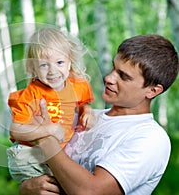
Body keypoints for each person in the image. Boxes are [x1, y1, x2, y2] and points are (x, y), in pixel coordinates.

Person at [19, 34, 179, 194]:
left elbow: (92, 192)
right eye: (113, 68)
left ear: (153, 91)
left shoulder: (151, 138)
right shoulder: (80, 117)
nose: (109, 78)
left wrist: (46, 138)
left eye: (123, 76)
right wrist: (26, 189)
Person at [7, 28, 95, 183]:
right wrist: (48, 130)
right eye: (43, 65)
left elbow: (83, 103)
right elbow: (16, 130)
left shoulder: (78, 86)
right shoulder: (32, 94)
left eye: (59, 62)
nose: (52, 71)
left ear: (69, 63)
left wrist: (87, 111)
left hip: (54, 153)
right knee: (54, 186)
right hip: (28, 153)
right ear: (34, 68)